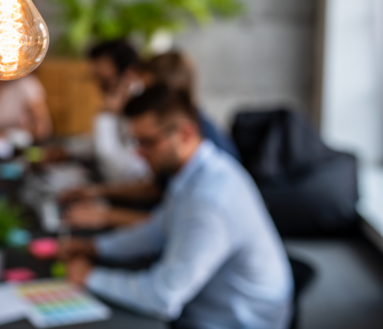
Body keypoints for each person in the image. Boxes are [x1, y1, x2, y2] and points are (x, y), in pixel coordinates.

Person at [59, 85, 293, 328]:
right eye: (135, 142)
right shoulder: (196, 172)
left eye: (148, 142)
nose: (138, 153)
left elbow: (162, 298)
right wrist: (96, 247)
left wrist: (89, 276)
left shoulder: (209, 201)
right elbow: (157, 230)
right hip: (211, 308)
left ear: (185, 133)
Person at [62, 50, 241, 229]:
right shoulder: (188, 125)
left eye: (149, 92)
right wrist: (98, 191)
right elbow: (156, 188)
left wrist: (106, 216)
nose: (140, 152)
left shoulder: (202, 145)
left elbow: (175, 223)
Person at [87, 40, 152, 183]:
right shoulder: (125, 104)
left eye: (105, 80)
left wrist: (106, 116)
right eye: (96, 78)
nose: (100, 87)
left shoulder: (145, 110)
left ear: (129, 74)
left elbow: (119, 172)